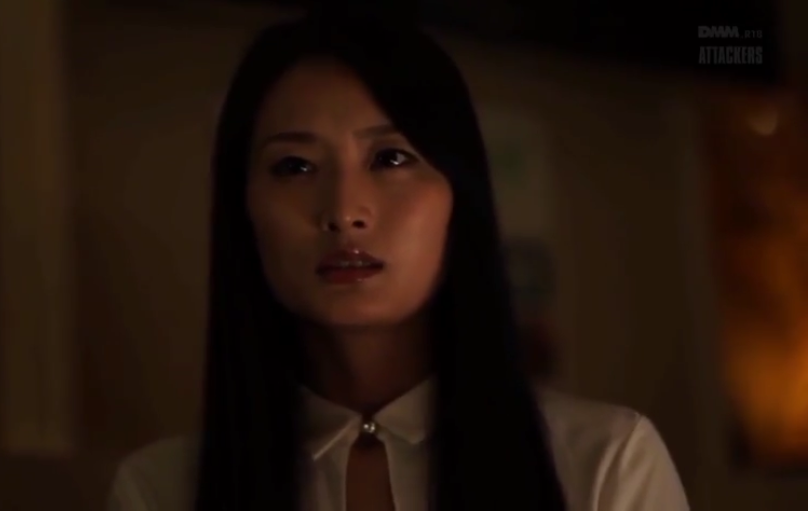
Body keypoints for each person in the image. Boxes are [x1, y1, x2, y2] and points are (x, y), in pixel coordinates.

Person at [107, 11, 689, 511]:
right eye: (295, 167)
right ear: (244, 208)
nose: (343, 212)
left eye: (389, 158)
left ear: (458, 194)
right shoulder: (161, 490)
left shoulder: (605, 463)